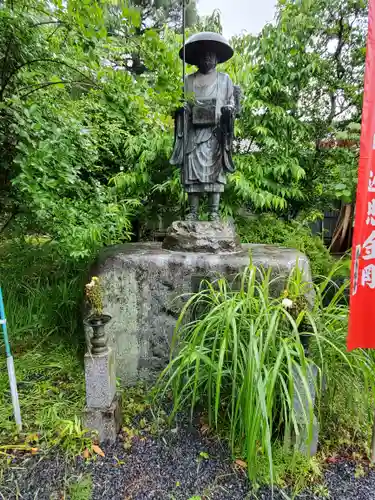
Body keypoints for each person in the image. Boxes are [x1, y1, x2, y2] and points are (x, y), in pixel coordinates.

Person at [170, 32, 240, 221]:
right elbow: (182, 103)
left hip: (215, 134)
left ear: (217, 58)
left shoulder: (225, 80)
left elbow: (233, 104)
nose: (207, 58)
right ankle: (192, 213)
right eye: (203, 55)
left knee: (215, 173)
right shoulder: (188, 80)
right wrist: (182, 110)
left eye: (211, 55)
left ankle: (213, 212)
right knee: (192, 172)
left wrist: (228, 110)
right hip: (194, 132)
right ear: (197, 59)